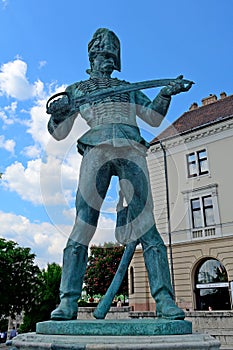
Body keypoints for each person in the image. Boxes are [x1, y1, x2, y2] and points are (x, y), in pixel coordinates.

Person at [47, 28, 193, 321]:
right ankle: (68, 301)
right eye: (103, 56)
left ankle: (164, 300)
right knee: (83, 225)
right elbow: (58, 133)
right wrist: (58, 114)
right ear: (92, 57)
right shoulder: (76, 90)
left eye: (112, 58)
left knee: (147, 225)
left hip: (131, 150)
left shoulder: (127, 88)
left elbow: (152, 116)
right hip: (95, 149)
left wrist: (165, 93)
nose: (108, 62)